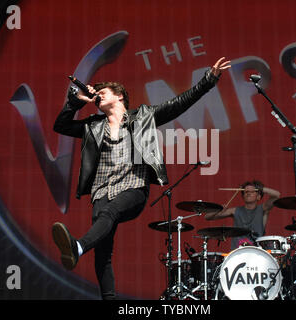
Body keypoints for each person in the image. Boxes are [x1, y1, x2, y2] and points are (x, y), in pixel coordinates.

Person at [51, 57, 231, 299]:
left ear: (120, 96)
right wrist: (74, 102)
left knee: (108, 214)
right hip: (101, 189)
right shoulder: (92, 125)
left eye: (103, 92)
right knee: (103, 250)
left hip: (133, 187)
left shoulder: (143, 116)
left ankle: (78, 246)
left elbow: (179, 103)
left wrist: (209, 80)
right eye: (98, 93)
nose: (98, 96)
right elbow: (60, 126)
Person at [205, 180, 280, 250]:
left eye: (252, 191)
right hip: (238, 252)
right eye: (246, 192)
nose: (248, 193)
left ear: (258, 196)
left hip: (257, 252)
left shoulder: (263, 208)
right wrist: (219, 210)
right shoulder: (235, 211)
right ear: (243, 196)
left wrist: (261, 188)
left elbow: (277, 195)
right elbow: (207, 217)